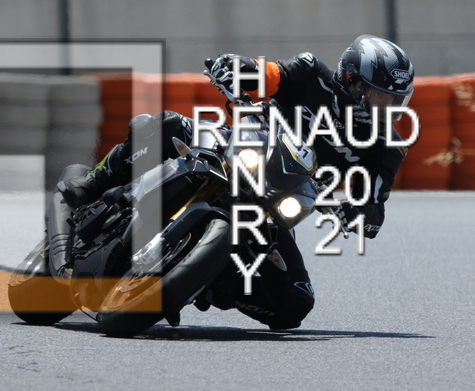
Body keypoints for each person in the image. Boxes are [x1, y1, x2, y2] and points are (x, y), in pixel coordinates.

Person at [53, 34, 415, 330]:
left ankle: (212, 280)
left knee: (295, 304)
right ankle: (94, 183)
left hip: (276, 198)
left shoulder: (388, 146)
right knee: (163, 126)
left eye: (395, 100)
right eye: (380, 96)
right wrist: (236, 68)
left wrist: (360, 213)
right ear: (351, 80)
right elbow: (269, 74)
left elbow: (374, 202)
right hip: (237, 145)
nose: (388, 108)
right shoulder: (311, 73)